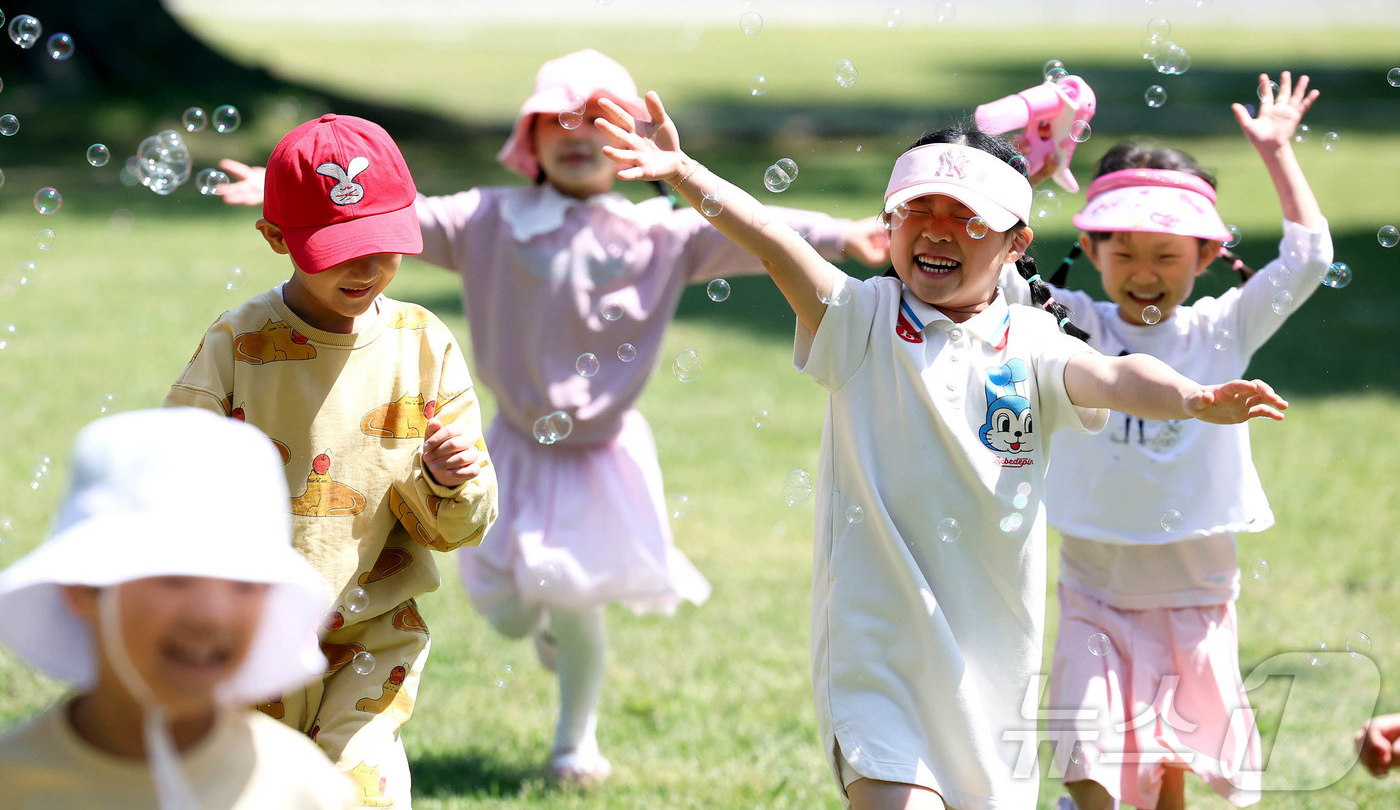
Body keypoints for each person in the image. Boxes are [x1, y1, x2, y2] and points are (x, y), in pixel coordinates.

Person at [594, 88, 1289, 810]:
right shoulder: (861, 318)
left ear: (1016, 243)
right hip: (878, 650)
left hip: (992, 662)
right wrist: (683, 173)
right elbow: (774, 241)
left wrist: (1190, 396)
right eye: (917, 211)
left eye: (966, 217)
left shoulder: (1033, 342)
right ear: (891, 223)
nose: (936, 230)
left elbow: (1114, 375)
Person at [218, 48, 889, 783]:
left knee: (576, 596)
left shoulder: (658, 234)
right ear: (528, 141)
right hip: (506, 445)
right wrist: (290, 198)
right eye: (555, 122)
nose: (577, 135)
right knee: (505, 606)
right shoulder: (491, 218)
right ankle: (544, 628)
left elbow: (755, 231)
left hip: (600, 452)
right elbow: (385, 214)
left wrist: (835, 234)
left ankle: (576, 741)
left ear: (632, 140)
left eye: (598, 121)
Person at [997, 72, 1332, 810]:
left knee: (1163, 773)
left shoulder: (1223, 329)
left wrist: (1277, 154)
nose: (1144, 275)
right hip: (1094, 588)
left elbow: (1306, 261)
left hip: (1194, 594)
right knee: (1086, 763)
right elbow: (994, 269)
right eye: (1124, 254)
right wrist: (1027, 168)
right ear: (1088, 245)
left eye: (1167, 256)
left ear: (1207, 257)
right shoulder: (1074, 319)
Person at [166, 113, 498, 807]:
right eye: (339, 247)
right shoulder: (238, 343)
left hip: (372, 635)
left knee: (361, 792)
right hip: (246, 637)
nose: (367, 266)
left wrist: (449, 478)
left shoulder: (423, 345)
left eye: (383, 243)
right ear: (275, 238)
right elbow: (171, 475)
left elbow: (463, 524)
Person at [0, 408, 352, 809]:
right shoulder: (14, 785)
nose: (211, 614)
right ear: (84, 588)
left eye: (246, 583)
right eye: (174, 578)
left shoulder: (301, 787)